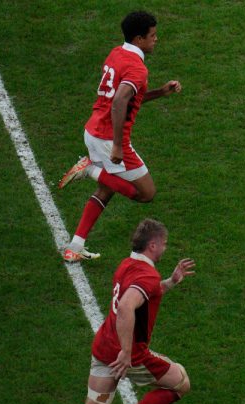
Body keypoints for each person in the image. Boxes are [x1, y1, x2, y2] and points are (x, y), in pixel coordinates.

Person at [57, 11, 183, 263]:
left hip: (93, 131)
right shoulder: (137, 68)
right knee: (146, 193)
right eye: (152, 35)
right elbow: (119, 101)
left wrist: (160, 92)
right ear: (139, 39)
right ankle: (89, 169)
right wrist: (117, 145)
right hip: (108, 140)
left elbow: (127, 99)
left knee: (108, 188)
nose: (156, 39)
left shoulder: (116, 53)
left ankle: (75, 246)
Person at [61, 219, 195, 404]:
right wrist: (125, 352)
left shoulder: (126, 265)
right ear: (152, 245)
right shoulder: (148, 275)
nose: (165, 248)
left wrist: (171, 281)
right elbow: (126, 306)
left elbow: (145, 294)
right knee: (181, 383)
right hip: (129, 354)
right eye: (164, 244)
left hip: (104, 346)